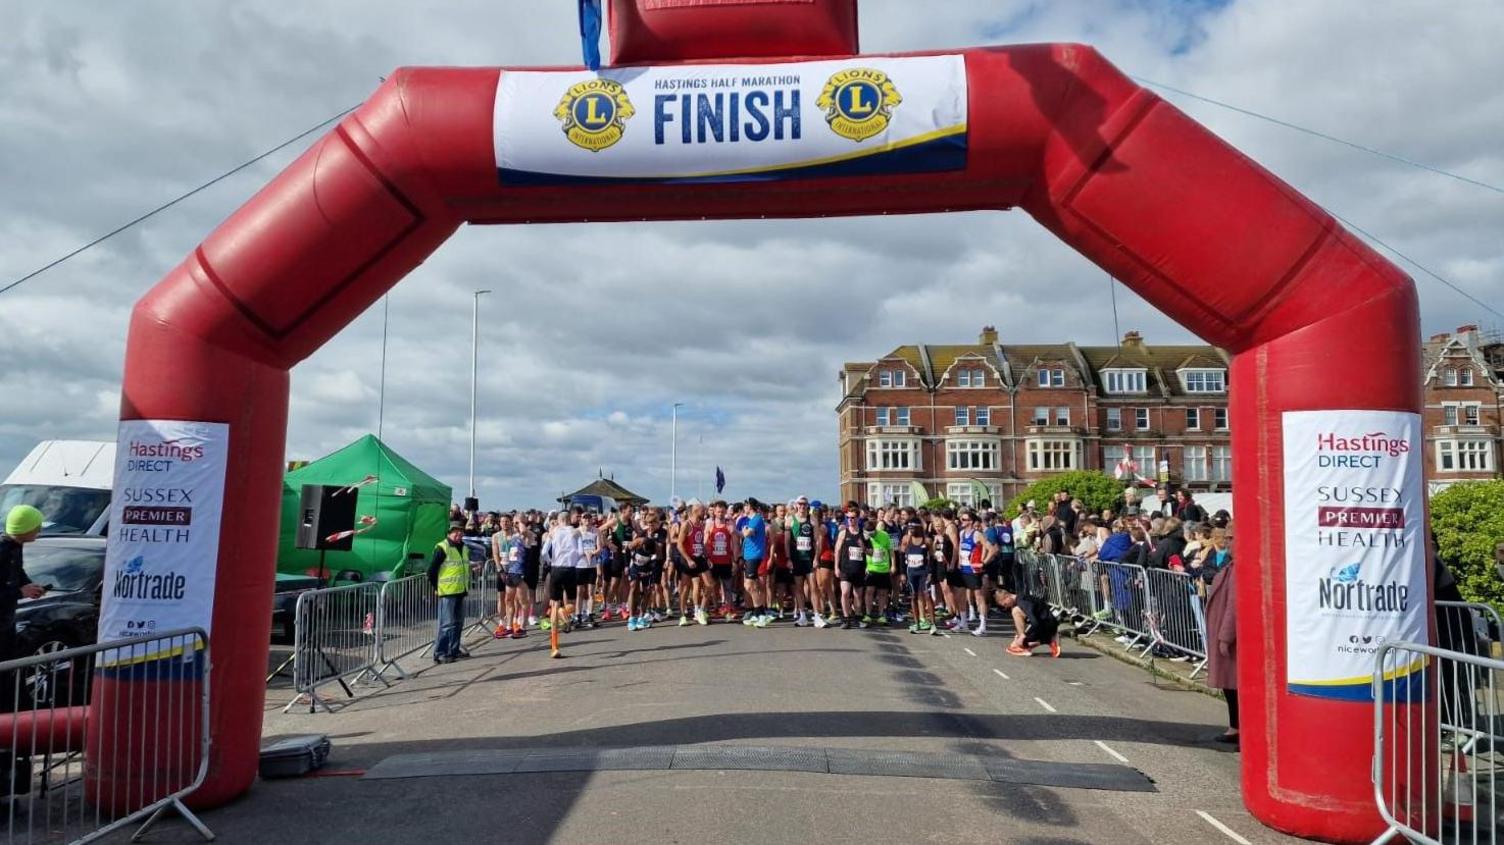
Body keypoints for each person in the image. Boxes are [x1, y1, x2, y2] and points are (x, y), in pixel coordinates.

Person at [1, 506, 48, 661]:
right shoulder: (3, 550)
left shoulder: (15, 546)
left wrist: (31, 586)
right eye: (36, 526)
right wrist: (21, 592)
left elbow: (17, 572)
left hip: (6, 622)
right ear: (25, 528)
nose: (40, 529)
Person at [1203, 547, 1238, 747]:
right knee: (1230, 687)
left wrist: (1225, 637)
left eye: (1231, 539)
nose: (1227, 543)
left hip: (1233, 639)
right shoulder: (1232, 566)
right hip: (1223, 632)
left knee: (1234, 687)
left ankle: (1237, 727)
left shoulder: (1238, 570)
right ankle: (1235, 726)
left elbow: (1234, 606)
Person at [428, 521, 472, 664]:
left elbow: (462, 566)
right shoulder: (442, 547)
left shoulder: (464, 547)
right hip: (447, 592)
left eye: (460, 531)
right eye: (455, 531)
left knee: (458, 623)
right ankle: (440, 653)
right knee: (446, 624)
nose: (458, 534)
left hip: (460, 590)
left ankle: (453, 650)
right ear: (449, 533)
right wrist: (436, 587)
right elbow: (431, 571)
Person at [542, 512, 581, 657]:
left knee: (554, 605)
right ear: (569, 519)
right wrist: (573, 561)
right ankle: (564, 613)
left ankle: (554, 647)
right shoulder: (576, 532)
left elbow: (544, 552)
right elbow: (580, 551)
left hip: (556, 569)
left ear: (558, 521)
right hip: (570, 569)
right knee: (572, 603)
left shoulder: (553, 532)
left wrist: (550, 561)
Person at [625, 507, 668, 631]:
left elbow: (659, 553)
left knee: (648, 590)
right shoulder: (641, 535)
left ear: (657, 523)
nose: (650, 526)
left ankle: (641, 616)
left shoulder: (662, 533)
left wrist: (656, 561)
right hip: (636, 565)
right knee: (633, 587)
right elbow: (628, 548)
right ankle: (631, 618)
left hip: (652, 565)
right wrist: (627, 565)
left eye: (653, 523)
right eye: (648, 524)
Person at [835, 503, 871, 629]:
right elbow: (837, 551)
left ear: (858, 518)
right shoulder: (843, 533)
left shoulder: (863, 534)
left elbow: (870, 552)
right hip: (845, 568)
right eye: (848, 518)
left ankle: (857, 617)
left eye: (853, 518)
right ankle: (846, 618)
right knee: (845, 593)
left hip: (859, 569)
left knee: (857, 595)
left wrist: (864, 547)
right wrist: (836, 567)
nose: (851, 520)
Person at [785, 497, 820, 627]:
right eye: (800, 504)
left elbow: (817, 541)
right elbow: (786, 541)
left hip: (809, 558)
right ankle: (803, 616)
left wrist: (817, 558)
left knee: (813, 587)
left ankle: (817, 616)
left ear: (807, 506)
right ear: (796, 505)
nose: (802, 506)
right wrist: (788, 558)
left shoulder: (812, 519)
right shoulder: (790, 520)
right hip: (796, 558)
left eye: (805, 504)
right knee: (798, 588)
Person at [998, 589, 1061, 658]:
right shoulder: (1021, 598)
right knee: (1015, 644)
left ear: (1007, 596)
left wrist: (1022, 637)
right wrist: (1018, 636)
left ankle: (1048, 638)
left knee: (1015, 611)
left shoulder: (1023, 602)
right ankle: (1049, 640)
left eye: (1005, 604)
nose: (1006, 607)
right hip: (1047, 623)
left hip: (1047, 625)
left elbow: (1035, 623)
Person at [739, 500, 771, 628]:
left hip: (754, 556)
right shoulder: (750, 520)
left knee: (750, 585)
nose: (744, 508)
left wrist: (744, 529)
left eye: (745, 505)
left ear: (750, 507)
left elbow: (746, 533)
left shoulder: (756, 519)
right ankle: (760, 613)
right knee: (752, 585)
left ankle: (760, 614)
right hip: (749, 556)